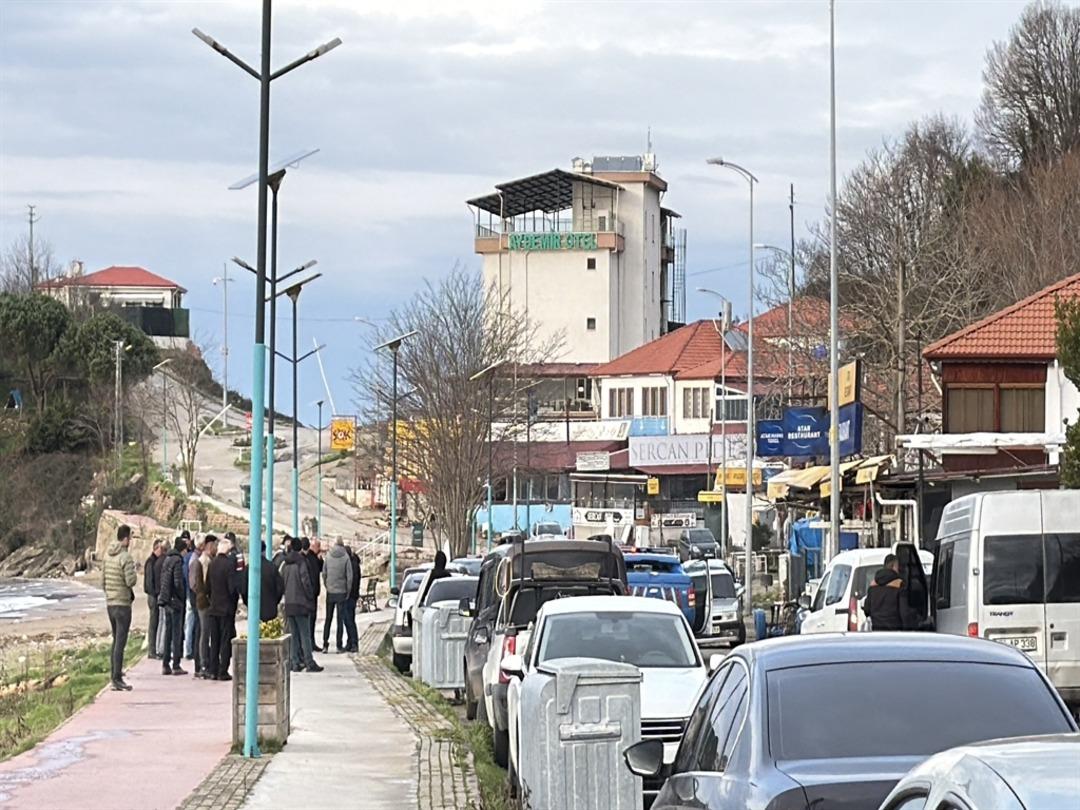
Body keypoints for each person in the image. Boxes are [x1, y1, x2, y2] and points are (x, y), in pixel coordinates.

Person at [103, 524, 138, 691]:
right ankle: (117, 678)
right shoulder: (125, 557)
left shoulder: (107, 556)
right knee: (120, 642)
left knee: (115, 639)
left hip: (110, 603)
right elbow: (130, 581)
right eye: (130, 538)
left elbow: (102, 581)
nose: (130, 541)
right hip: (123, 604)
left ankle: (114, 674)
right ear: (125, 539)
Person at [282, 537, 322, 672]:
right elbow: (306, 581)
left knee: (293, 634)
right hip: (301, 603)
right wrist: (310, 596)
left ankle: (294, 662)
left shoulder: (286, 563)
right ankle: (309, 662)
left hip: (289, 603)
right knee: (305, 634)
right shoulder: (301, 562)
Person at [206, 534, 238, 680]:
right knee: (225, 640)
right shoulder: (229, 565)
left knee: (215, 640)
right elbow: (232, 588)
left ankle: (213, 669)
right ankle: (223, 670)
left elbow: (207, 587)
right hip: (226, 609)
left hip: (213, 608)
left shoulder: (212, 564)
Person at [863, 554, 918, 632]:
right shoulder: (899, 584)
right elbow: (904, 612)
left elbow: (867, 610)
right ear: (894, 566)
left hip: (877, 631)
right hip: (895, 631)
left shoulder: (873, 585)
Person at [157, 537, 188, 675]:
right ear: (182, 550)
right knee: (176, 633)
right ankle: (176, 664)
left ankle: (165, 664)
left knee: (168, 632)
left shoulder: (167, 559)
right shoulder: (177, 561)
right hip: (175, 600)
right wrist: (182, 596)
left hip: (165, 599)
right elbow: (177, 582)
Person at [322, 538, 354, 653]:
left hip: (330, 592)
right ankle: (338, 646)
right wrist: (347, 591)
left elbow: (324, 573)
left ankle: (325, 644)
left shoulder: (328, 556)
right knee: (339, 620)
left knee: (328, 619)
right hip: (342, 592)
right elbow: (350, 577)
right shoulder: (346, 557)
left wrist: (327, 586)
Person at [193, 535, 217, 678]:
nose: (215, 548)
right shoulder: (205, 562)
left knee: (204, 632)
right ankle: (204, 664)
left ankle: (203, 662)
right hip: (205, 603)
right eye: (214, 545)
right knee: (205, 633)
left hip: (203, 601)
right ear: (209, 546)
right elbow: (204, 584)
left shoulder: (204, 560)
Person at [244, 542, 284, 622]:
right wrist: (275, 601)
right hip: (270, 608)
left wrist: (248, 603)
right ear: (264, 551)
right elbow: (280, 587)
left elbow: (244, 588)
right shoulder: (272, 567)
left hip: (254, 609)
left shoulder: (248, 568)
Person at [184, 535, 206, 669]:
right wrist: (200, 593)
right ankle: (192, 653)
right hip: (194, 598)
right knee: (196, 627)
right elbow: (193, 583)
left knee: (191, 624)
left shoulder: (192, 558)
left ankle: (191, 651)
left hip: (192, 596)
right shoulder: (195, 560)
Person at [143, 539, 163, 660]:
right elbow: (149, 582)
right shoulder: (150, 562)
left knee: (155, 622)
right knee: (153, 622)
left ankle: (153, 648)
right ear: (156, 548)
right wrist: (155, 593)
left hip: (154, 594)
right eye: (160, 548)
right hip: (152, 596)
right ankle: (151, 650)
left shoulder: (154, 561)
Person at [303, 538, 323, 652]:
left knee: (313, 619)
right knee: (310, 619)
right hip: (310, 594)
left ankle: (312, 642)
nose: (319, 549)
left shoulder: (315, 557)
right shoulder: (308, 558)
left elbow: (319, 570)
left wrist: (320, 560)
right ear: (312, 546)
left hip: (314, 593)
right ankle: (309, 643)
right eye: (318, 546)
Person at [341, 545, 361, 653]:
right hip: (352, 595)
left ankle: (353, 642)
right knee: (349, 619)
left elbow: (351, 581)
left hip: (349, 596)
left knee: (349, 620)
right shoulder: (354, 563)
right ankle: (350, 642)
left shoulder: (351, 565)